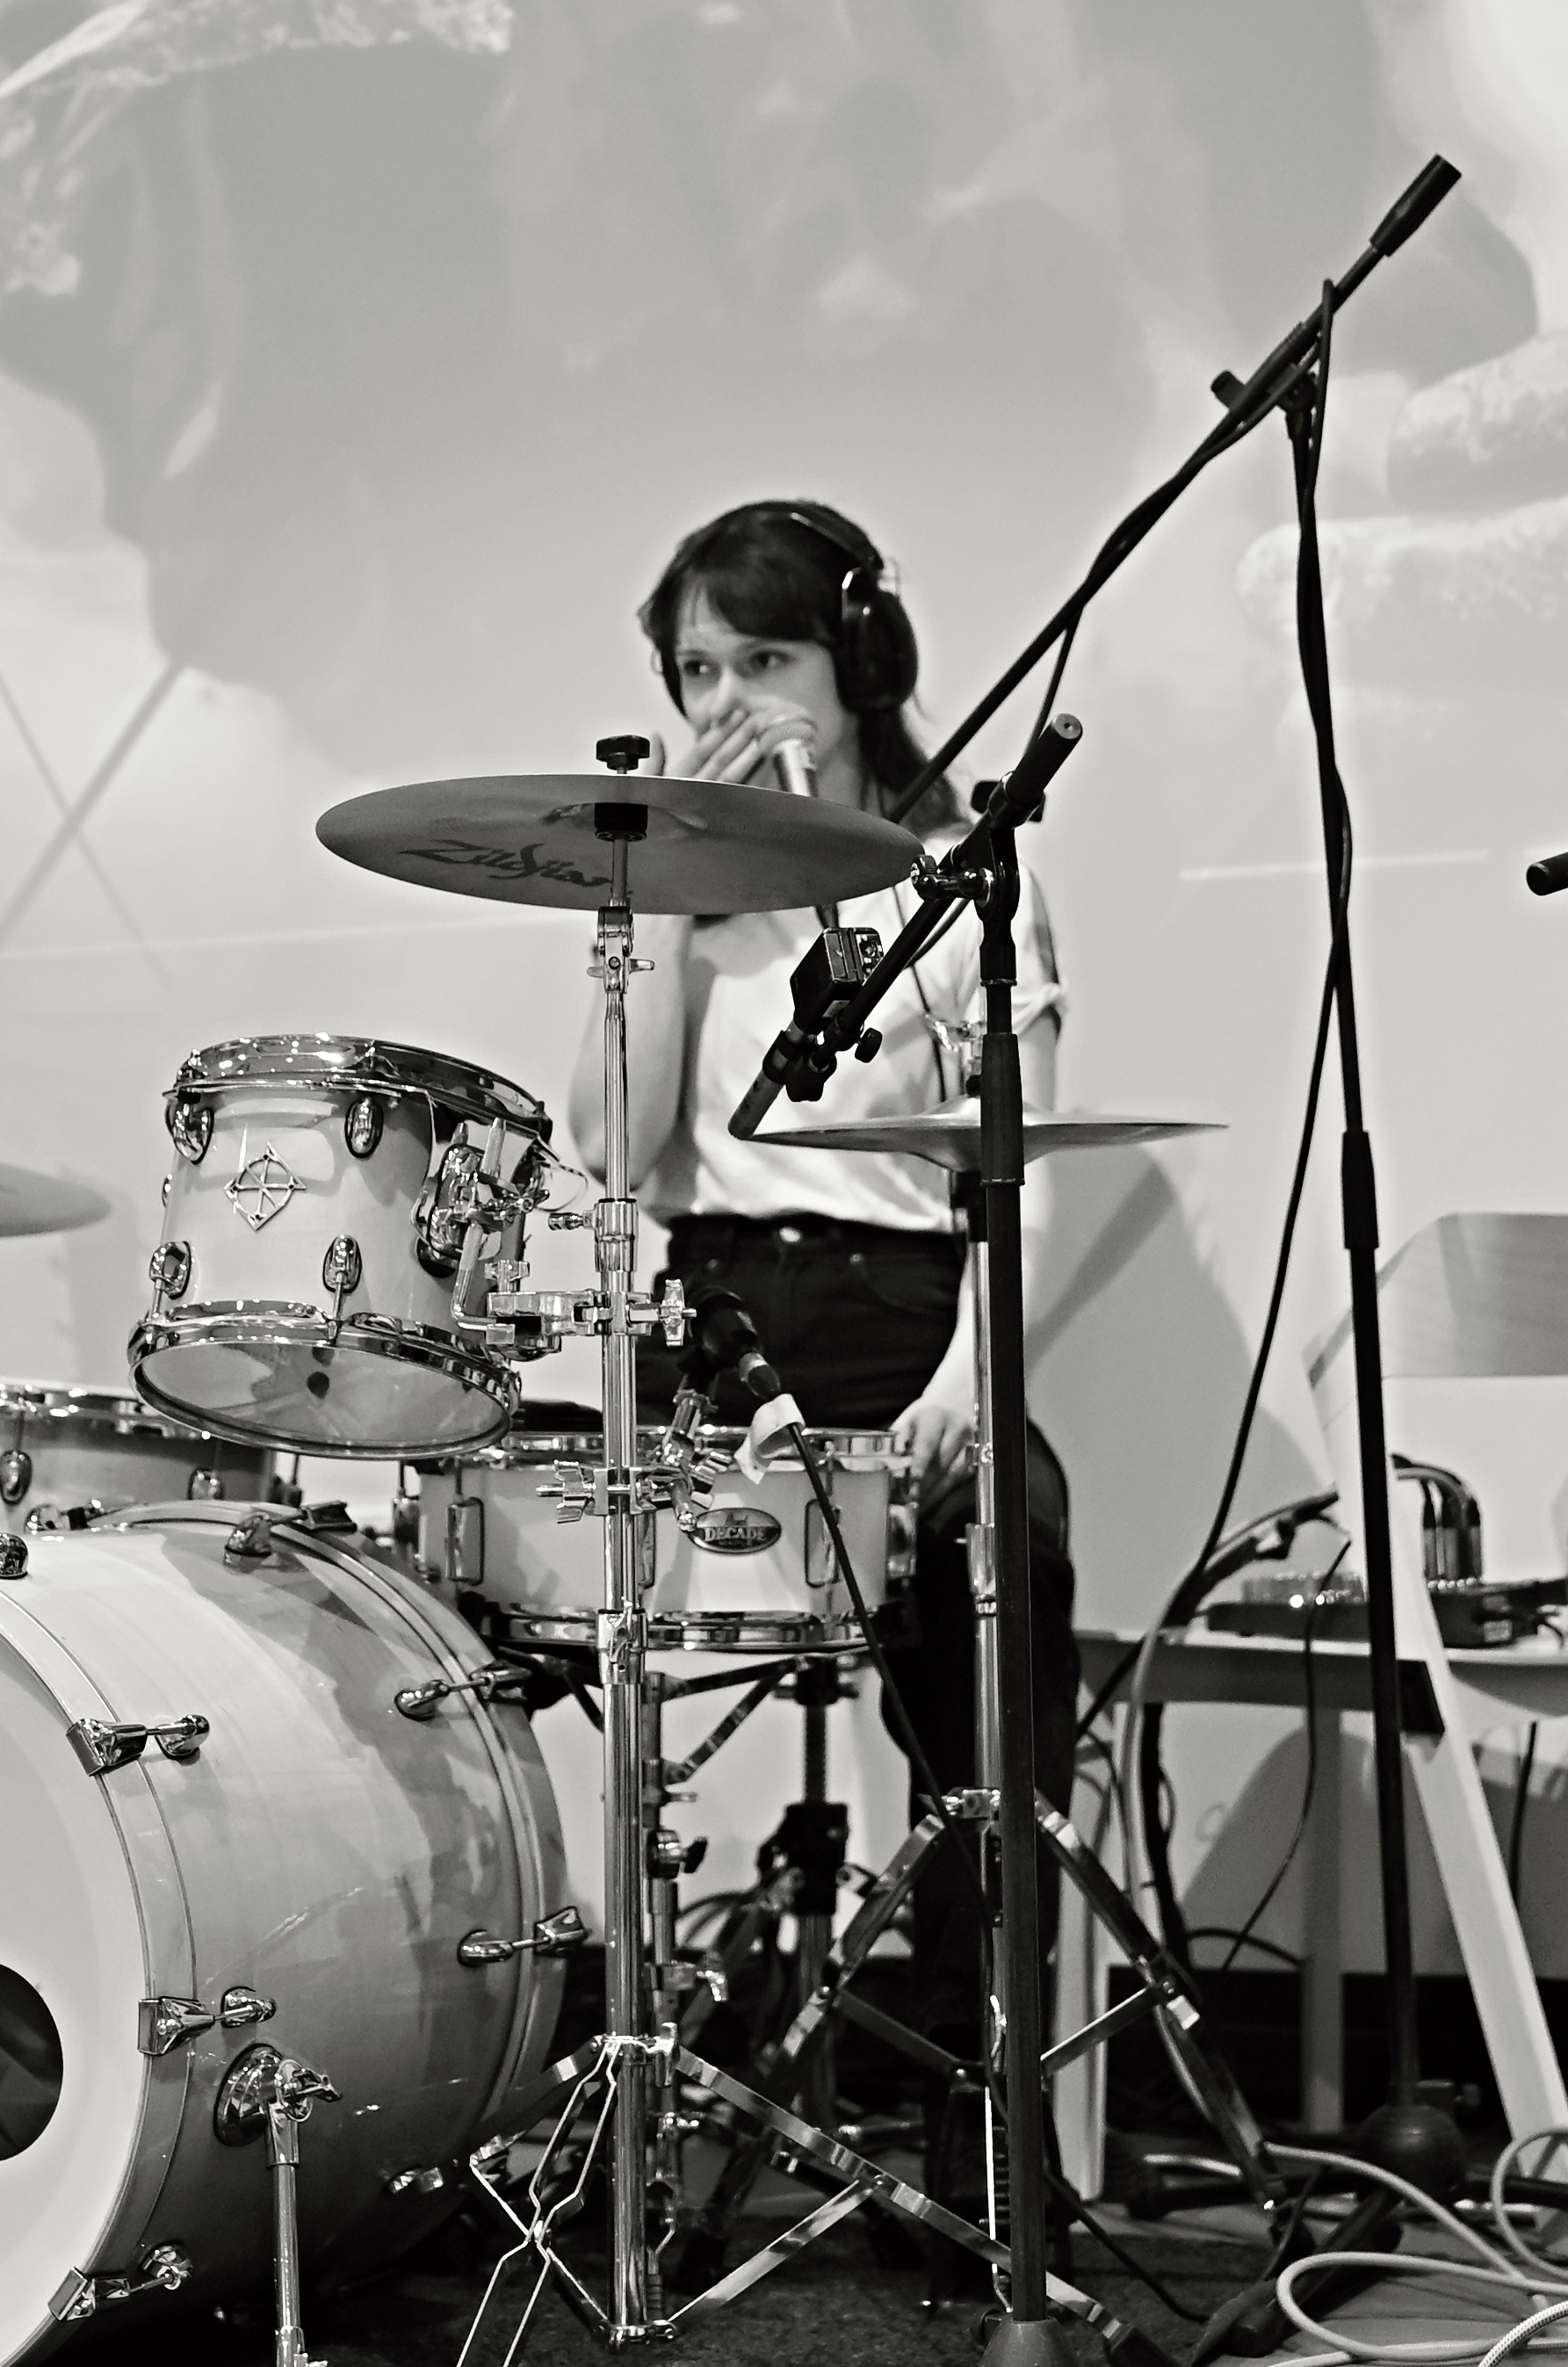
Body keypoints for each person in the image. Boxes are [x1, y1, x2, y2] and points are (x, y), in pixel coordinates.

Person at [562, 498, 1079, 2067]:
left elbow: (1026, 1170)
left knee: (1007, 1572)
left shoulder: (960, 881)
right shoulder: (675, 904)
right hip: (714, 1326)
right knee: (539, 1573)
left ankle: (982, 2083)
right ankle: (583, 2037)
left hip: (904, 1317)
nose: (727, 704)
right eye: (696, 672)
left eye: (763, 660)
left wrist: (969, 1382)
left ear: (858, 665)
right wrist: (665, 891)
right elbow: (612, 1144)